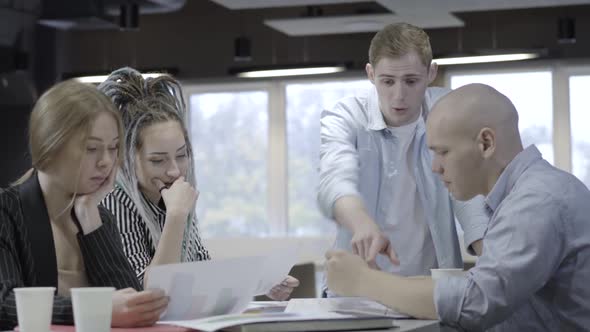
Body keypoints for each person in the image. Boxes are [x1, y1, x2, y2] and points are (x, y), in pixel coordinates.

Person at [325, 83, 590, 331]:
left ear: (486, 143)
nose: (435, 167)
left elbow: (478, 302)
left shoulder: (536, 200)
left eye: (443, 152)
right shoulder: (523, 194)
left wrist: (364, 281)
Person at [98, 67, 298, 300]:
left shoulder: (171, 197)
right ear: (127, 158)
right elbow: (151, 295)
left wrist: (259, 284)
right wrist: (176, 217)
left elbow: (200, 270)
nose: (174, 170)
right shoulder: (113, 202)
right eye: (158, 160)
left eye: (182, 155)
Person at [318, 22, 487, 281]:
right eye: (387, 81)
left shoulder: (448, 110)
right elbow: (334, 180)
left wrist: (492, 257)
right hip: (358, 288)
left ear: (431, 73)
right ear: (371, 74)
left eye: (411, 81)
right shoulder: (345, 115)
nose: (399, 95)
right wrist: (361, 223)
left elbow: (469, 191)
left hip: (430, 288)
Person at [0, 80, 169, 330]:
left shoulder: (100, 217)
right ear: (50, 147)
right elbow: (4, 302)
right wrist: (96, 310)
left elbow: (129, 301)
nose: (106, 162)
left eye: (113, 148)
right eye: (92, 149)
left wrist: (91, 220)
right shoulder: (7, 211)